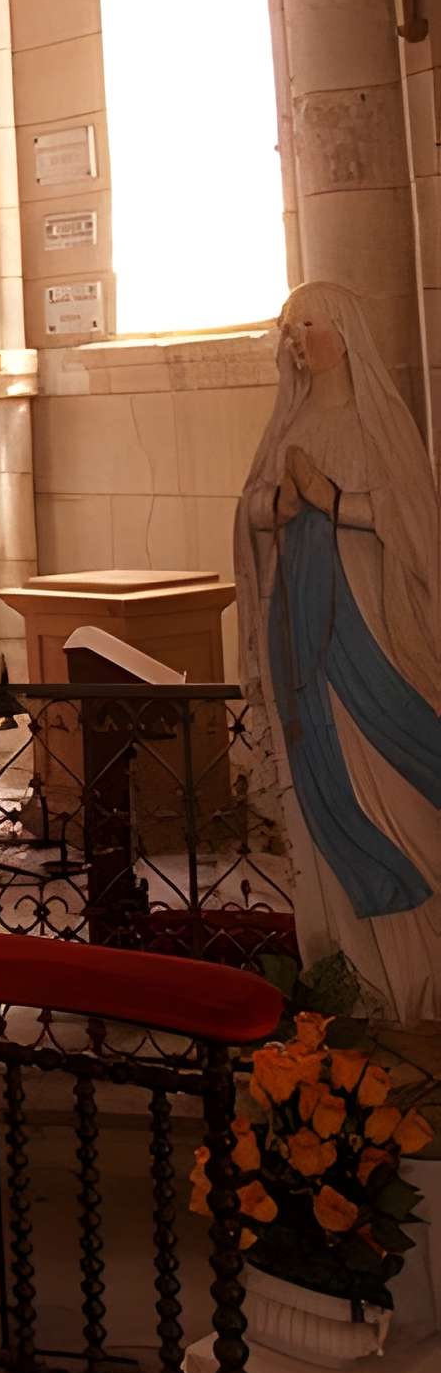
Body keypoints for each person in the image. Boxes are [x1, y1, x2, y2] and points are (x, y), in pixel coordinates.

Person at [235, 281, 441, 1021]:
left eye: (309, 326)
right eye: (288, 331)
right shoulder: (286, 422)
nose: (297, 342)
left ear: (345, 330)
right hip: (303, 642)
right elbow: (252, 509)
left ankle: (421, 976)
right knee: (327, 786)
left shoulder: (377, 420)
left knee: (401, 796)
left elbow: (417, 525)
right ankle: (354, 977)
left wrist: (333, 501)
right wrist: (279, 504)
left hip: (376, 645)